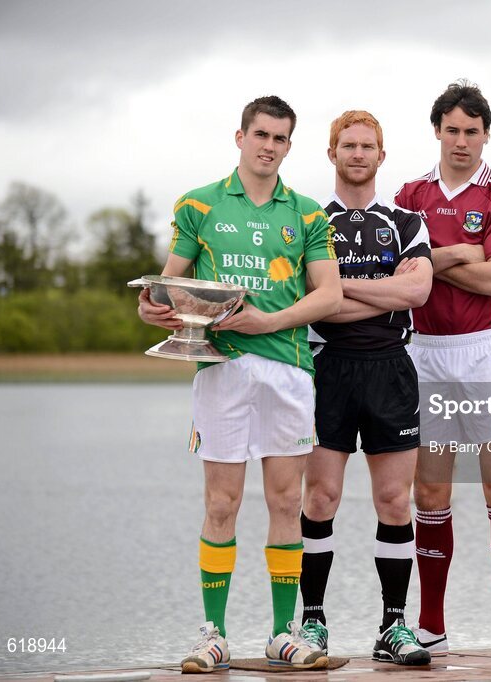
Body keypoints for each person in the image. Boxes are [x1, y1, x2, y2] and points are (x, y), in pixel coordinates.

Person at [137, 95, 342, 673]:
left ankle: (282, 634)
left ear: (288, 145)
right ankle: (214, 635)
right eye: (261, 135)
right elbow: (165, 286)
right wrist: (152, 308)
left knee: (284, 501)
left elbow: (329, 294)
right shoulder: (199, 204)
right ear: (240, 136)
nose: (269, 146)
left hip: (288, 369)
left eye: (280, 138)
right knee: (221, 503)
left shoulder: (305, 213)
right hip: (220, 369)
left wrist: (269, 321)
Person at [394, 80, 491, 663]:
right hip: (425, 350)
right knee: (429, 491)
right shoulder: (408, 195)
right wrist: (457, 256)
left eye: (471, 131)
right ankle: (431, 627)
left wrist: (429, 261)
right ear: (437, 131)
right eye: (451, 129)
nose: (461, 141)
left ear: (485, 135)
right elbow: (401, 277)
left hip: (486, 349)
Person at [297, 110, 433, 666]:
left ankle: (393, 625)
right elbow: (313, 299)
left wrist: (337, 287)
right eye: (347, 145)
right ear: (332, 153)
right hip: (327, 367)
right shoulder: (310, 220)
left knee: (394, 500)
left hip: (391, 368)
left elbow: (418, 292)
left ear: (382, 155)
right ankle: (312, 623)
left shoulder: (406, 221)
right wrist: (384, 287)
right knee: (320, 497)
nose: (357, 154)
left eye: (367, 146)